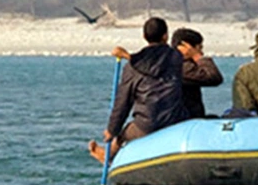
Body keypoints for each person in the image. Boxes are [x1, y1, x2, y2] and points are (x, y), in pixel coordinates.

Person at [88, 17, 188, 164]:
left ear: (144, 37)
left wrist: (112, 130)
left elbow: (123, 101)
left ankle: (108, 156)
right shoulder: (175, 58)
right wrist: (128, 56)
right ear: (166, 36)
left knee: (123, 135)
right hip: (175, 119)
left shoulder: (132, 67)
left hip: (147, 124)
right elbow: (158, 59)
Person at [170, 28, 224, 118]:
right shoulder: (182, 67)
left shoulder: (169, 61)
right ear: (187, 47)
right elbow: (213, 77)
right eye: (199, 48)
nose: (201, 52)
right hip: (185, 121)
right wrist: (197, 56)